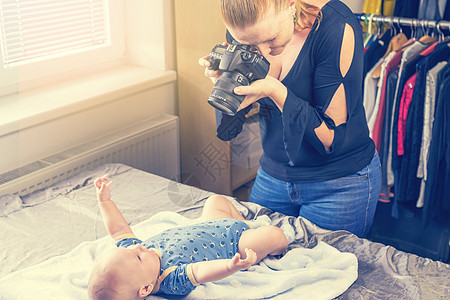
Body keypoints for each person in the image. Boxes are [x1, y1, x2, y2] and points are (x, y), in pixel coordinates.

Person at [199, 0, 382, 238]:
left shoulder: (336, 27)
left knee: (321, 271)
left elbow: (330, 140)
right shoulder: (247, 29)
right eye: (249, 45)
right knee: (255, 264)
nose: (262, 52)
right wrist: (226, 86)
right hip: (273, 175)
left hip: (338, 183)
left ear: (290, 5)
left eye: (270, 40)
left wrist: (277, 92)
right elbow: (230, 129)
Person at [88, 174, 288, 299]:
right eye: (138, 257)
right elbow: (201, 270)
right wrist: (230, 266)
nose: (138, 247)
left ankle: (245, 224)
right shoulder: (170, 278)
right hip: (234, 245)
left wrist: (104, 202)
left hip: (210, 224)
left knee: (215, 200)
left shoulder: (134, 251)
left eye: (129, 249)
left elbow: (118, 231)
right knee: (274, 235)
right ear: (146, 289)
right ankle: (268, 243)